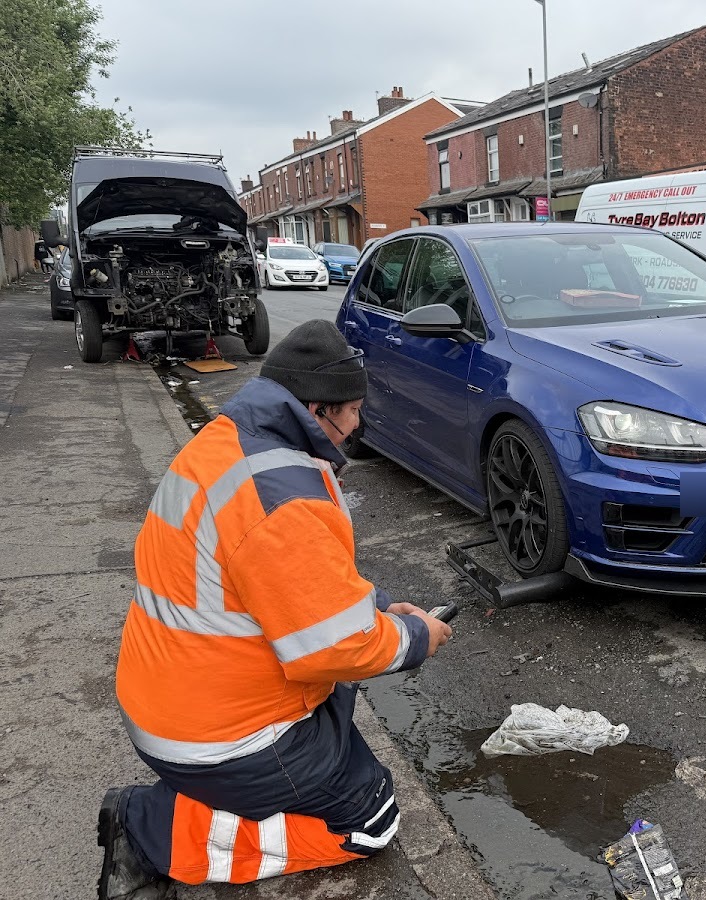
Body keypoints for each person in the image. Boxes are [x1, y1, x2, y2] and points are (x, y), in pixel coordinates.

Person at [97, 319, 453, 899]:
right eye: (352, 410)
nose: (358, 423)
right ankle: (152, 828)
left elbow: (287, 581)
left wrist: (384, 605)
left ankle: (220, 792)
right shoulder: (282, 495)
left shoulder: (226, 443)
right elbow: (334, 644)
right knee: (372, 822)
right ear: (318, 409)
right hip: (221, 740)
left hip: (167, 703)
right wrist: (416, 636)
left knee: (343, 686)